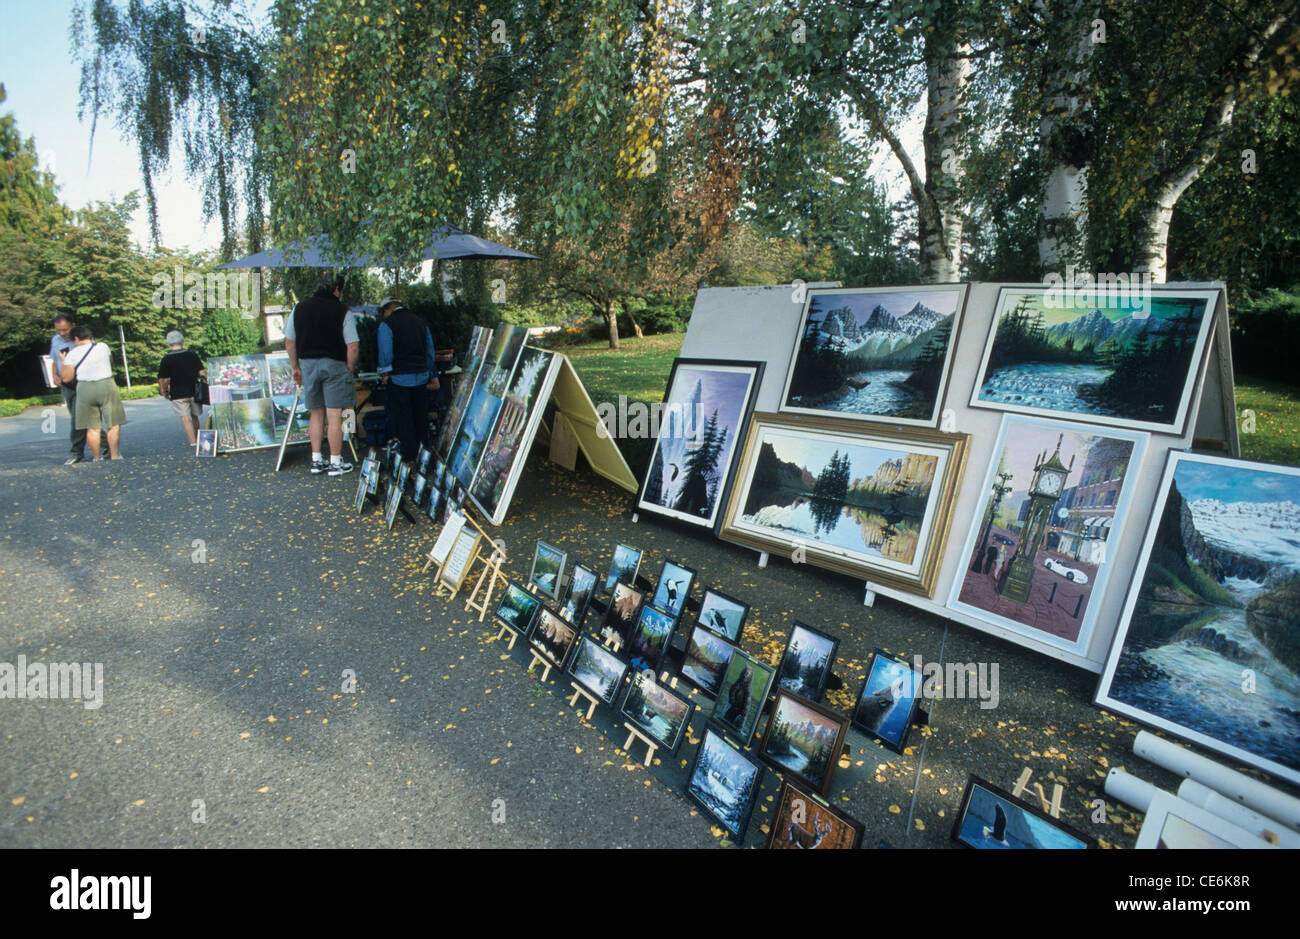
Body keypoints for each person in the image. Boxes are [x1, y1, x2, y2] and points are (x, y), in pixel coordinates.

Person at [285, 273, 358, 476]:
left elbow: (289, 341)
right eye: (341, 291)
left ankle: (316, 460)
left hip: (308, 365)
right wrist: (350, 367)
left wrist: (295, 367)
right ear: (336, 290)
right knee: (334, 415)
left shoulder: (298, 308)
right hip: (335, 365)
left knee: (316, 413)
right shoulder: (343, 311)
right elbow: (352, 345)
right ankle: (335, 462)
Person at [376, 297, 439, 464]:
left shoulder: (387, 324)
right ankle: (424, 452)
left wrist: (385, 372)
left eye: (384, 312)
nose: (384, 315)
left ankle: (410, 454)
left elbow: (386, 353)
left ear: (388, 308)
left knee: (404, 417)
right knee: (420, 415)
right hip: (420, 375)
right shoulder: (420, 323)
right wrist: (425, 368)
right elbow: (430, 351)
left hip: (399, 377)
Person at [59, 326, 126, 461]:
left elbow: (66, 378)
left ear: (76, 339)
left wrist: (62, 360)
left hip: (84, 388)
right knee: (113, 424)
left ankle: (97, 457)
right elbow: (110, 362)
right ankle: (115, 455)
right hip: (106, 384)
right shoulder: (103, 347)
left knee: (92, 427)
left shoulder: (72, 354)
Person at [49, 314, 105, 463]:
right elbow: (55, 360)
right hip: (66, 385)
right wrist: (55, 374)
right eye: (58, 330)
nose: (62, 333)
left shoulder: (84, 340)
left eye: (65, 330)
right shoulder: (55, 340)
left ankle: (76, 453)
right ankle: (106, 446)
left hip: (82, 382)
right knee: (85, 420)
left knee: (77, 419)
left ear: (73, 325)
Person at [157, 330, 205, 446]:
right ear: (182, 342)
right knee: (195, 417)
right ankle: (199, 440)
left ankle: (193, 443)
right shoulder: (192, 355)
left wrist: (164, 391)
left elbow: (164, 379)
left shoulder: (166, 359)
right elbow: (202, 372)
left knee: (185, 418)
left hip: (178, 393)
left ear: (168, 343)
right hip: (194, 390)